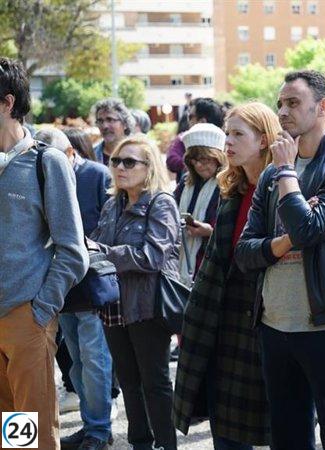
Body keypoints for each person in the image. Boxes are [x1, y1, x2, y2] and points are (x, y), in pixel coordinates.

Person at [234, 69, 325, 450]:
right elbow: (245, 252)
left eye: (293, 102)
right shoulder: (270, 175)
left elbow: (309, 230)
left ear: (322, 106)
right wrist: (282, 242)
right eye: (280, 103)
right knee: (288, 435)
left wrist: (288, 175)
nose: (282, 112)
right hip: (274, 324)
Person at [174, 102, 279, 449]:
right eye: (226, 134)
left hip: (264, 317)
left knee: (273, 423)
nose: (227, 143)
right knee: (226, 426)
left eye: (237, 134)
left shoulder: (282, 185)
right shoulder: (229, 187)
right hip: (222, 316)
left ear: (263, 140)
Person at [0, 57, 89, 450]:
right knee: (9, 429)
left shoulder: (45, 161)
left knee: (33, 433)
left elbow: (73, 250)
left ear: (6, 103)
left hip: (25, 316)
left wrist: (40, 311)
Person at [90, 135, 181, 450]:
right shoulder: (113, 202)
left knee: (154, 382)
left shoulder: (161, 202)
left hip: (147, 305)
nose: (120, 167)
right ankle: (140, 442)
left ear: (149, 166)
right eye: (116, 160)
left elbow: (151, 257)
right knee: (129, 382)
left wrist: (100, 250)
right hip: (113, 305)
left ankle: (166, 444)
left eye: (129, 162)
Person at [35, 128, 114, 450]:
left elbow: (102, 227)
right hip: (49, 291)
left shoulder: (94, 174)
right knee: (76, 364)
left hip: (79, 286)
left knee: (93, 360)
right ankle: (89, 425)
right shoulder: (30, 172)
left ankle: (97, 427)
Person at [174, 123, 226, 285]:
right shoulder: (185, 183)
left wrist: (210, 232)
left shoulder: (228, 185)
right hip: (180, 261)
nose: (198, 165)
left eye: (203, 158)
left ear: (218, 157)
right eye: (193, 159)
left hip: (210, 264)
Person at [167, 97, 225, 176]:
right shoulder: (183, 139)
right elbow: (171, 161)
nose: (198, 165)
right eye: (193, 159)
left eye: (190, 117)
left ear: (202, 121)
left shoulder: (228, 144)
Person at [91, 98, 136, 165]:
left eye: (110, 120)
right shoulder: (91, 156)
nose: (104, 126)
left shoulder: (139, 152)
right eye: (100, 121)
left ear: (125, 124)